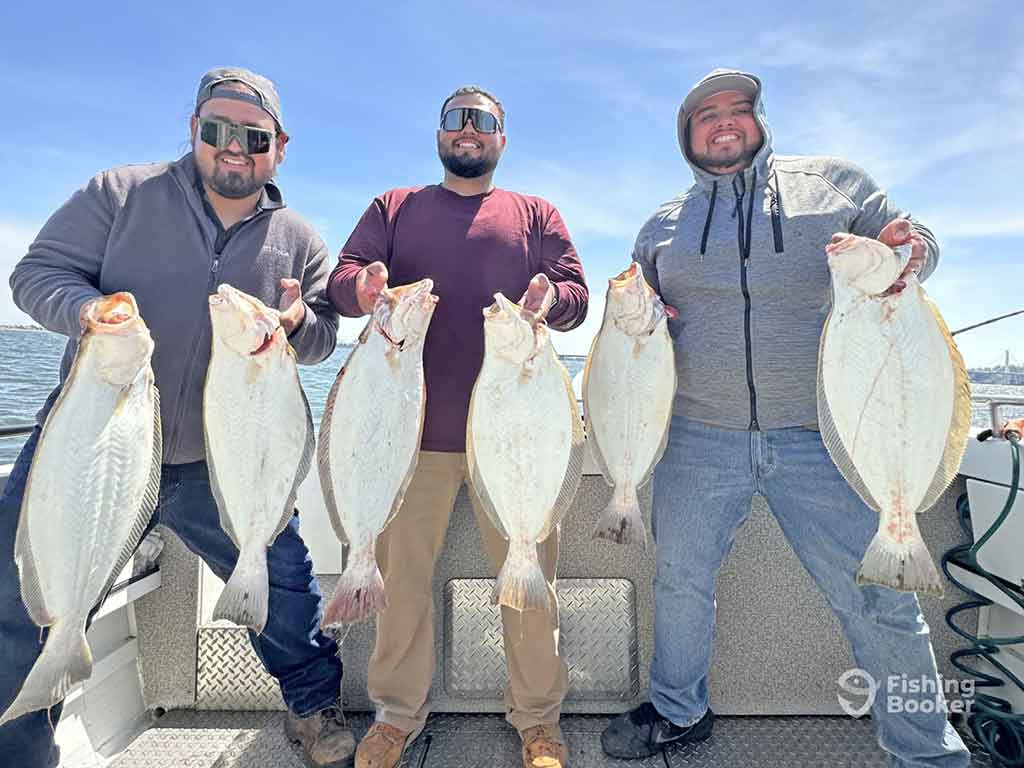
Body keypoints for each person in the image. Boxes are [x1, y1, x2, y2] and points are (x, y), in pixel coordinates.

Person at [600, 68, 971, 766]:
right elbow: (632, 332)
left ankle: (927, 751)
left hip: (824, 437)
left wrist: (909, 248)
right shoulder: (661, 226)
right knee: (680, 583)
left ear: (761, 120)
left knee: (883, 595)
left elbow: (914, 241)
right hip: (698, 436)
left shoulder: (834, 187)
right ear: (686, 135)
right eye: (705, 114)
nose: (723, 123)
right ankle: (679, 710)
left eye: (737, 109)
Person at [2, 67, 355, 768]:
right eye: (218, 131)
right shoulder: (120, 194)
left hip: (222, 462)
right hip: (92, 446)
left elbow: (319, 336)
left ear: (278, 147)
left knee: (284, 589)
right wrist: (87, 312)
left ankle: (312, 708)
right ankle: (19, 749)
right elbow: (36, 276)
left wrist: (296, 324)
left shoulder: (300, 239)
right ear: (193, 130)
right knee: (15, 600)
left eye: (253, 137)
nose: (235, 149)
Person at [327, 85, 588, 768]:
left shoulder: (535, 213)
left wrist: (552, 297)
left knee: (531, 583)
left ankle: (537, 721)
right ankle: (395, 716)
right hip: (411, 437)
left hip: (519, 441)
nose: (467, 130)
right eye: (455, 119)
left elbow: (577, 295)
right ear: (439, 132)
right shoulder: (395, 207)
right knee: (399, 582)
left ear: (503, 137)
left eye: (483, 121)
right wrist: (359, 289)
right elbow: (343, 278)